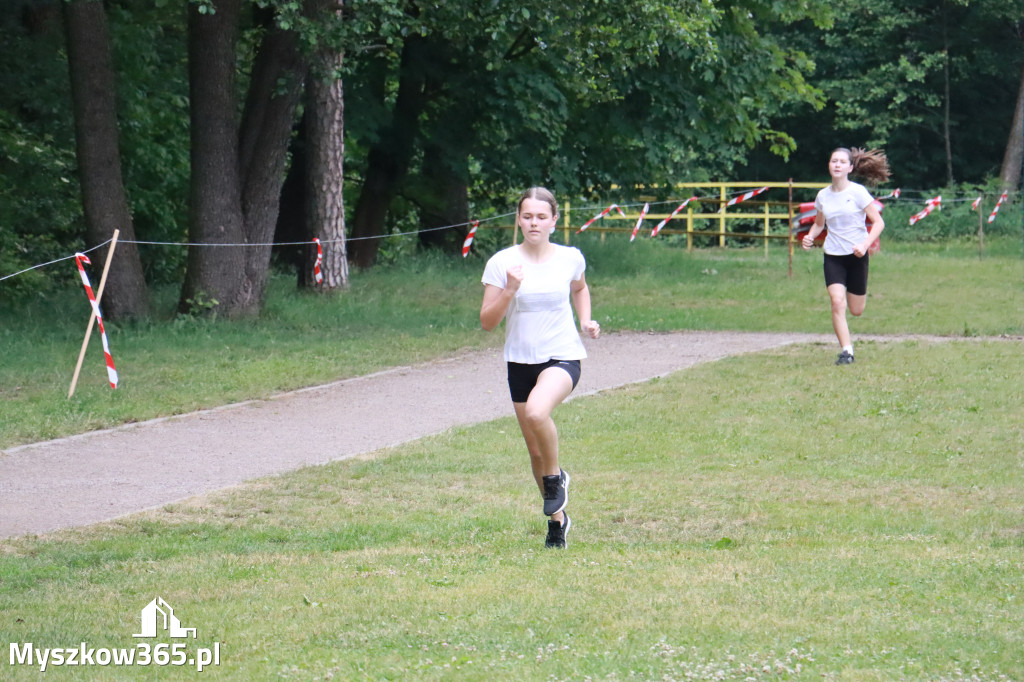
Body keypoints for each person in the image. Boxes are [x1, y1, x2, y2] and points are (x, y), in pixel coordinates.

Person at [480, 187, 600, 549]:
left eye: (541, 216)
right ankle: (557, 521)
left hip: (562, 355)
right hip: (519, 361)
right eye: (527, 216)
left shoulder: (569, 257)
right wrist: (510, 289)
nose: (534, 222)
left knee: (537, 412)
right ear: (518, 219)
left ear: (554, 221)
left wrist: (586, 320)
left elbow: (580, 288)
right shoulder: (502, 263)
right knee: (535, 453)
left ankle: (556, 479)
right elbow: (487, 322)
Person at [802, 147, 890, 365]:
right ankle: (846, 351)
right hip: (833, 256)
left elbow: (879, 223)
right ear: (829, 165)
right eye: (834, 161)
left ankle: (848, 345)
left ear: (850, 167)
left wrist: (865, 244)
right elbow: (819, 224)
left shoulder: (858, 192)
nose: (837, 165)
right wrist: (810, 237)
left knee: (856, 310)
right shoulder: (823, 195)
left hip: (857, 256)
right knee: (836, 301)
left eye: (842, 162)